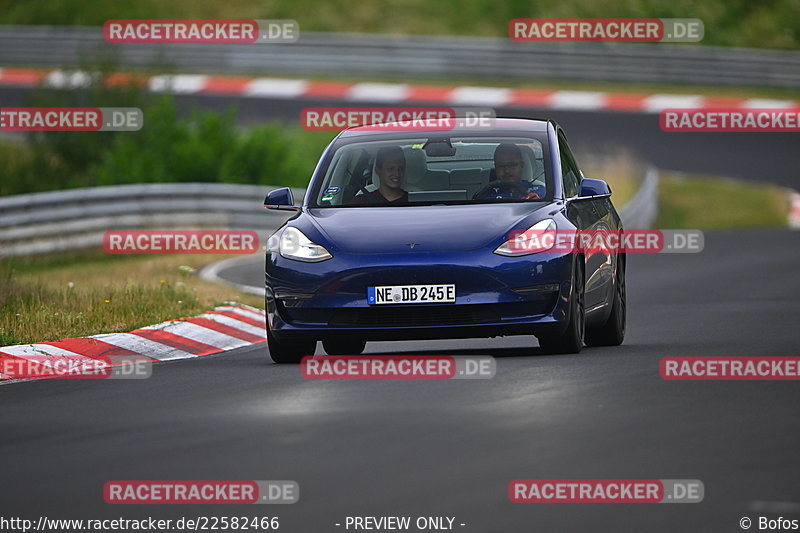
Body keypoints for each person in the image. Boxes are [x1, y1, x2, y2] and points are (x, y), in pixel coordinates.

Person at [473, 143, 545, 200]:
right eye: (501, 166)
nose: (506, 170)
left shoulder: (540, 191)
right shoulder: (483, 194)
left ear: (522, 165)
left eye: (512, 165)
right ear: (496, 167)